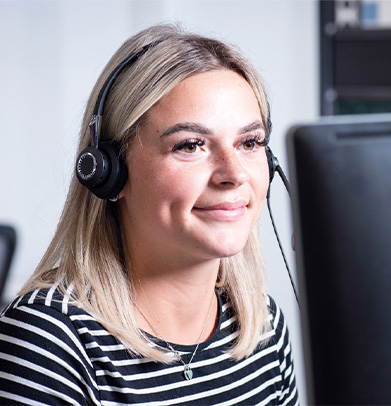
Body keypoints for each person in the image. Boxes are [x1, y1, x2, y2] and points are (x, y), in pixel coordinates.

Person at [0, 24, 298, 405]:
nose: (235, 174)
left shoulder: (263, 328)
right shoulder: (48, 341)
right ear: (111, 172)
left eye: (250, 142)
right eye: (191, 145)